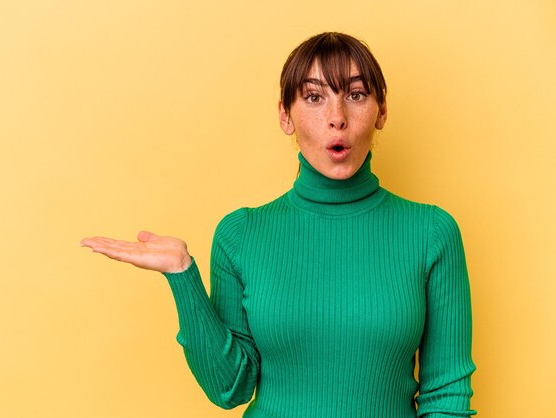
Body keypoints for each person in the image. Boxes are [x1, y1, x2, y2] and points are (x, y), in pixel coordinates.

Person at [81, 32, 476, 418]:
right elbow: (229, 388)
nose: (337, 119)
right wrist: (182, 277)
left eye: (355, 95)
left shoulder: (431, 233)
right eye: (315, 97)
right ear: (285, 115)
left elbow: (447, 395)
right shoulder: (241, 234)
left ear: (382, 112)